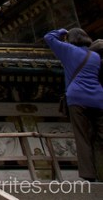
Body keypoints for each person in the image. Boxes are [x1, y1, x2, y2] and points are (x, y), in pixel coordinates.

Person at [45, 28, 103, 182]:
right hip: (98, 99)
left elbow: (49, 37)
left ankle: (89, 175)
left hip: (77, 98)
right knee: (100, 137)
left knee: (83, 137)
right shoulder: (95, 56)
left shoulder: (69, 50)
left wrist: (62, 31)